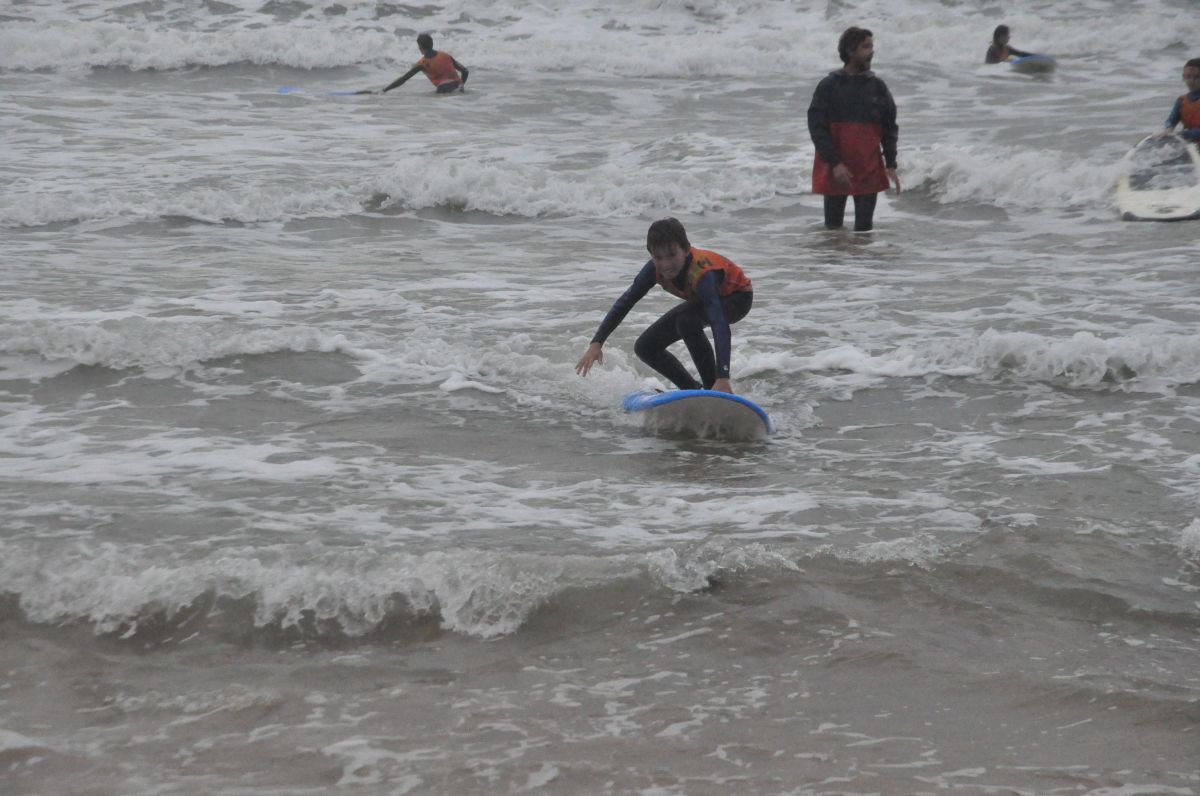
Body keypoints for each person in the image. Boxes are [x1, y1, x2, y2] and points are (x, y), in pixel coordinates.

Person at [575, 218, 753, 395]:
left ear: (685, 249)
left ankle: (715, 390)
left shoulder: (703, 273)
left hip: (738, 298)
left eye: (672, 255)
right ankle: (692, 391)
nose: (666, 264)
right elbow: (626, 301)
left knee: (686, 320)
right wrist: (597, 342)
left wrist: (723, 376)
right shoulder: (653, 269)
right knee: (646, 346)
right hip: (705, 300)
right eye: (658, 257)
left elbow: (718, 322)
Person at [807, 26, 900, 233]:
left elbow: (889, 127)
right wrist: (835, 163)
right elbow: (817, 127)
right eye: (866, 47)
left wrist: (891, 162)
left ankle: (860, 267)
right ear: (850, 50)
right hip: (835, 168)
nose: (872, 51)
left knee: (864, 232)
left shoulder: (878, 87)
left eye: (872, 46)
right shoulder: (829, 85)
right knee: (833, 230)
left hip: (868, 167)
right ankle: (836, 267)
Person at [374, 33, 468, 94]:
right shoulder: (445, 55)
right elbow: (465, 71)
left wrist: (385, 90)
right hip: (459, 88)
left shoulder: (422, 64)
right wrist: (461, 85)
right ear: (432, 44)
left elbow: (403, 79)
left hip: (444, 90)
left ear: (420, 47)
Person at [1158, 58, 1200, 144]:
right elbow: (1171, 121)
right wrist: (1169, 129)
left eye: (1197, 77)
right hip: (1190, 144)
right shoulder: (1182, 101)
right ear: (1183, 77)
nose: (1192, 81)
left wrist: (1183, 134)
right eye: (1188, 76)